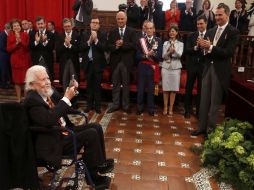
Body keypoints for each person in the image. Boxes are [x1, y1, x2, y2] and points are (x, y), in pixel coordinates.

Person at [24, 65, 113, 189]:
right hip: (54, 140)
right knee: (91, 133)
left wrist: (72, 90)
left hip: (63, 131)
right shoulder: (32, 100)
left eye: (48, 78)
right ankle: (94, 177)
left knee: (96, 126)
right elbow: (48, 120)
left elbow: (64, 103)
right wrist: (66, 99)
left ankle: (99, 165)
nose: (48, 82)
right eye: (43, 79)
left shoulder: (47, 91)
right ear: (32, 84)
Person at [191, 3, 240, 137]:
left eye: (220, 15)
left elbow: (228, 53)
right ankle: (201, 127)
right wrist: (204, 48)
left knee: (214, 102)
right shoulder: (211, 31)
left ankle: (210, 131)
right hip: (207, 68)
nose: (217, 17)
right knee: (204, 100)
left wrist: (211, 47)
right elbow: (207, 52)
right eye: (216, 15)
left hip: (220, 71)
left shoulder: (233, 32)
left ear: (227, 15)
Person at [107, 11, 136, 114]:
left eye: (122, 19)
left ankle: (126, 106)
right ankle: (115, 105)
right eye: (118, 19)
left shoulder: (132, 31)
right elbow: (108, 46)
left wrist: (123, 44)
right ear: (116, 20)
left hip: (126, 63)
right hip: (115, 62)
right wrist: (116, 46)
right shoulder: (112, 31)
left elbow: (133, 46)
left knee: (126, 85)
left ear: (126, 19)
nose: (120, 21)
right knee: (115, 84)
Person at [80, 17, 107, 114]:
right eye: (93, 22)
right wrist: (89, 42)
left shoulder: (103, 34)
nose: (95, 24)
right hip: (88, 64)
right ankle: (89, 106)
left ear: (99, 25)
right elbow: (81, 47)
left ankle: (97, 107)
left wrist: (96, 40)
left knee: (97, 87)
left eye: (97, 23)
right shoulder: (84, 34)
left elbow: (104, 48)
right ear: (90, 24)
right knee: (89, 87)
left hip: (98, 65)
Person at [136, 21, 162, 116]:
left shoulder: (158, 40)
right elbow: (137, 56)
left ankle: (151, 108)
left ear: (154, 29)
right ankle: (140, 108)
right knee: (141, 88)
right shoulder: (141, 40)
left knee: (151, 89)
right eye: (147, 28)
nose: (149, 30)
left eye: (151, 28)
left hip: (153, 67)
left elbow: (159, 56)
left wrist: (153, 54)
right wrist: (147, 55)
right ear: (145, 29)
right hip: (142, 66)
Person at [184, 16, 207, 119]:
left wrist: (205, 46)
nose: (199, 26)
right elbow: (187, 50)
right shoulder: (191, 35)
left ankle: (199, 111)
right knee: (188, 88)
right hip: (192, 66)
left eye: (201, 24)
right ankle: (187, 110)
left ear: (205, 24)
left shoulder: (210, 35)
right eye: (198, 24)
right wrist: (196, 47)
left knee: (201, 90)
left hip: (203, 67)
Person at [161, 24, 183, 115]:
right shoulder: (165, 43)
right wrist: (169, 52)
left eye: (173, 31)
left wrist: (174, 52)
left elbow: (180, 55)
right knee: (165, 89)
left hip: (176, 67)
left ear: (177, 33)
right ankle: (165, 107)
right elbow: (163, 56)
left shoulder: (181, 44)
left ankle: (171, 108)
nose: (171, 33)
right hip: (166, 67)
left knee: (173, 89)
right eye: (170, 31)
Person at [7, 19, 31, 102]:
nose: (16, 27)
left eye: (17, 25)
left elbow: (27, 48)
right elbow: (8, 49)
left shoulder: (25, 35)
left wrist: (20, 41)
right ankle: (18, 98)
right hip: (15, 60)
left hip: (24, 59)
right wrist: (16, 43)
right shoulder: (10, 36)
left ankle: (26, 98)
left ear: (20, 27)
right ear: (12, 28)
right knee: (16, 81)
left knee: (25, 80)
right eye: (14, 26)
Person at [56, 18, 80, 91]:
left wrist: (69, 45)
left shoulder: (77, 35)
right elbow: (58, 50)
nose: (67, 28)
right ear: (63, 27)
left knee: (74, 82)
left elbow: (79, 49)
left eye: (69, 26)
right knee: (65, 81)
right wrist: (65, 44)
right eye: (66, 26)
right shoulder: (59, 36)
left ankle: (74, 101)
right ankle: (66, 100)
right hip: (64, 63)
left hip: (74, 62)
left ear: (71, 26)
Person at [29, 16, 55, 81]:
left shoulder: (51, 34)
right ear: (36, 25)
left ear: (45, 23)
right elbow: (30, 47)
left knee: (48, 79)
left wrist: (45, 42)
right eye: (38, 24)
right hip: (36, 60)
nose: (40, 26)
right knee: (36, 79)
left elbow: (52, 48)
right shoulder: (32, 34)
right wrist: (36, 42)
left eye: (41, 23)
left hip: (47, 61)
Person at [0, 23, 11, 89]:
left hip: (5, 55)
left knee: (6, 69)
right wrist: (10, 49)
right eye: (10, 29)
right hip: (3, 55)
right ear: (7, 29)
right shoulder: (2, 35)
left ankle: (6, 83)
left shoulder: (5, 34)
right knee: (3, 69)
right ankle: (4, 84)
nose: (11, 31)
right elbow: (1, 47)